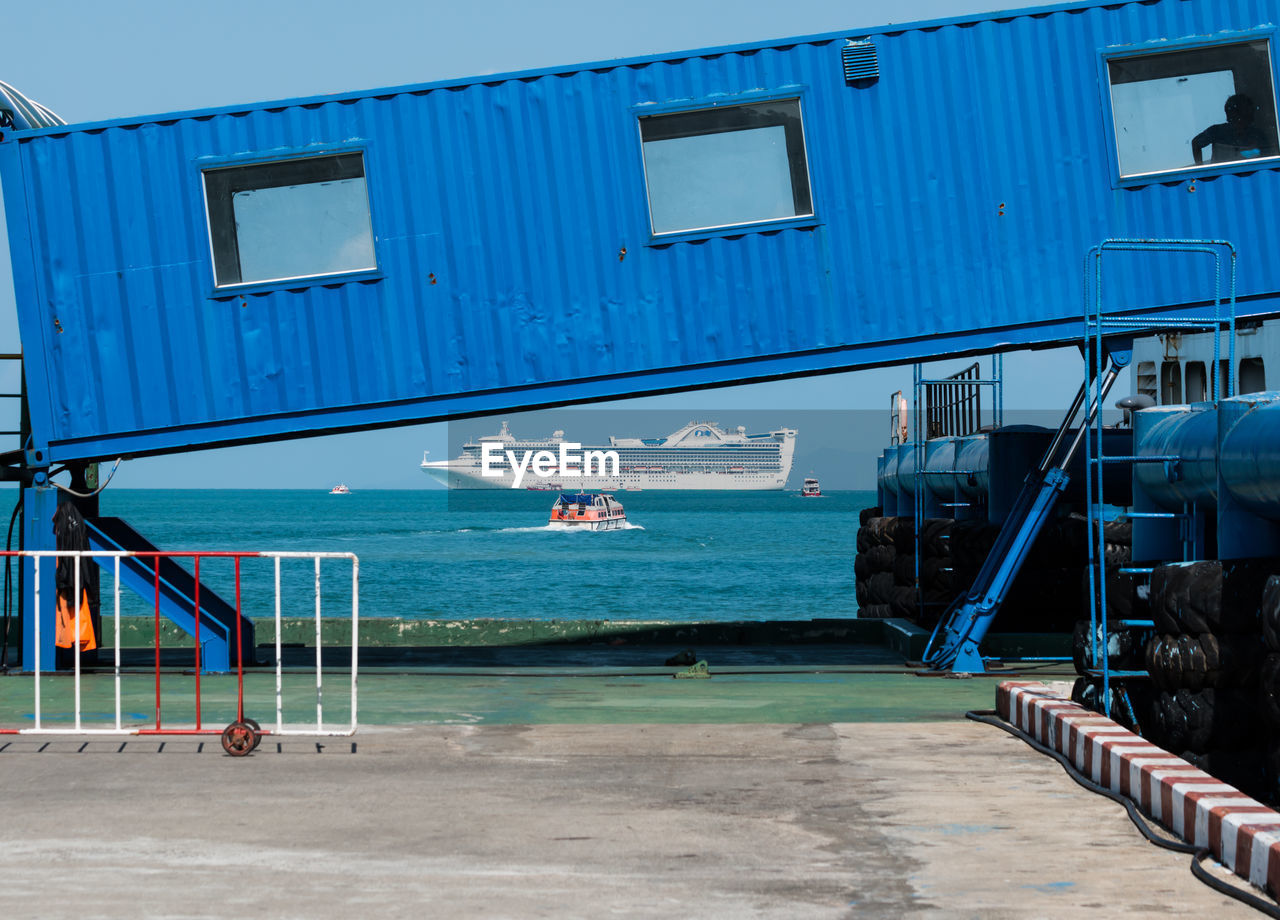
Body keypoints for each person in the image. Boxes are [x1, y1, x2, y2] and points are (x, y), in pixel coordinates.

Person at [1192, 93, 1269, 165]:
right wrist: (1200, 169)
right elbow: (1196, 143)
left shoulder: (1258, 135)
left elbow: (1268, 158)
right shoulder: (1217, 131)